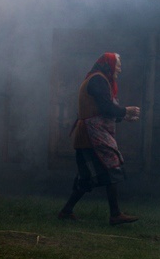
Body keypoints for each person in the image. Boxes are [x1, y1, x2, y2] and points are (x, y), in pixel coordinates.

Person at [58, 52, 141, 225]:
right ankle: (115, 214)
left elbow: (104, 108)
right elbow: (105, 107)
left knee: (85, 177)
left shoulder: (101, 79)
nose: (120, 67)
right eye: (117, 63)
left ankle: (66, 211)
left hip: (89, 134)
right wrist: (125, 111)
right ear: (108, 64)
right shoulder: (98, 80)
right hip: (92, 134)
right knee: (111, 165)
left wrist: (123, 116)